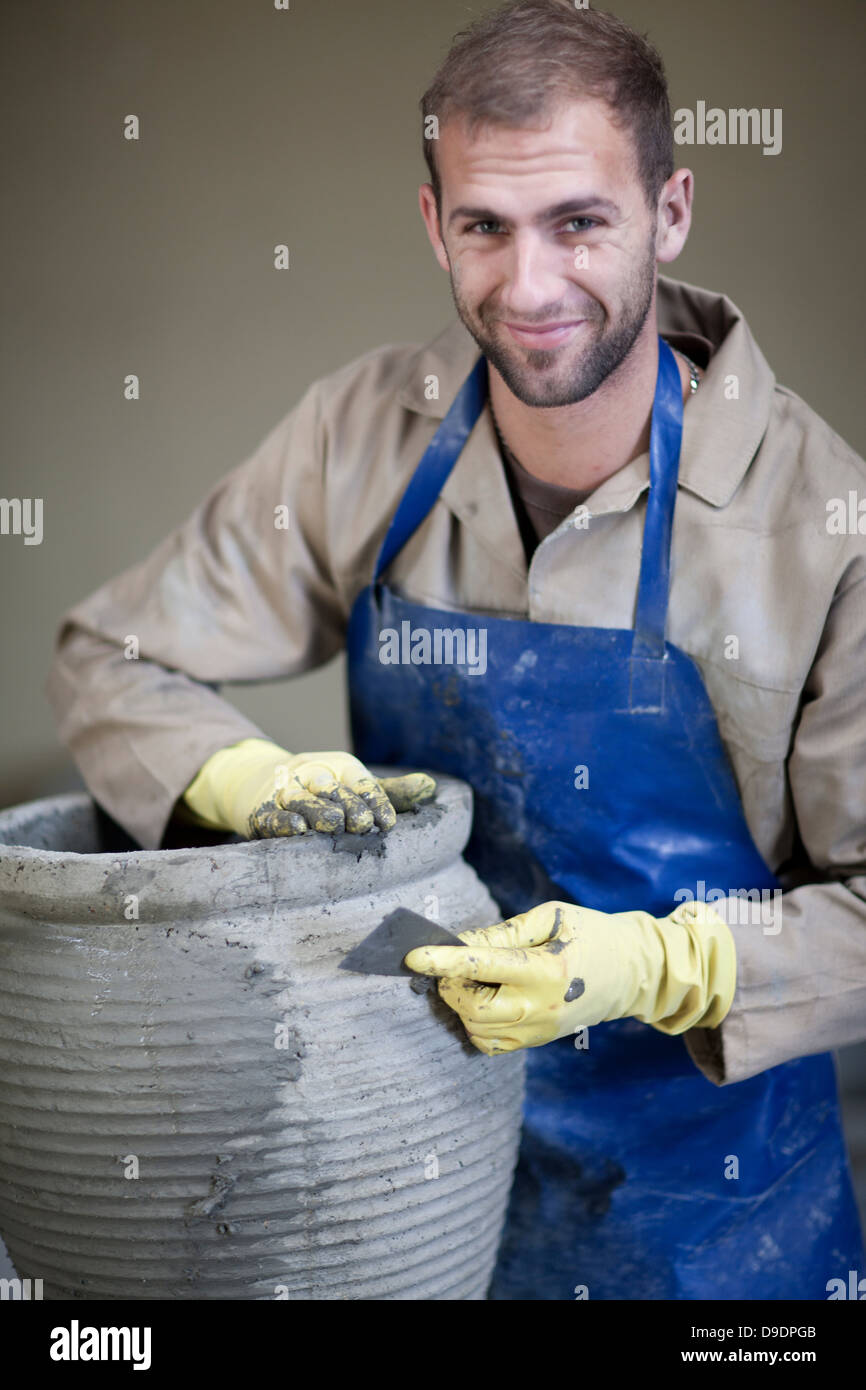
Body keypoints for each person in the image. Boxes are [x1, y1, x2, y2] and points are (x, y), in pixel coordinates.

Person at [46, 1, 866, 1300]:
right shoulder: (359, 437)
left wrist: (666, 964)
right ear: (434, 224)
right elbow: (109, 655)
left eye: (578, 222)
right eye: (486, 226)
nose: (528, 287)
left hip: (711, 1221)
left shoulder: (822, 523)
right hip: (402, 1173)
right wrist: (241, 779)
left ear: (669, 213)